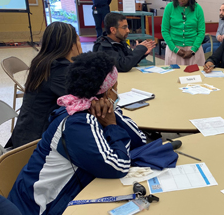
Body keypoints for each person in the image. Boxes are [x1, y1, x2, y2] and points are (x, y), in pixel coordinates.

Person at [8, 52, 147, 215]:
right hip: (38, 208)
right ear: (108, 91)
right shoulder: (77, 123)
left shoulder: (94, 110)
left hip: (65, 195)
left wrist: (112, 114)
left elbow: (140, 140)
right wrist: (112, 125)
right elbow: (118, 166)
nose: (117, 91)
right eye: (115, 87)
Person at [6, 22, 82, 149]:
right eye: (78, 40)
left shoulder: (43, 62)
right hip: (34, 145)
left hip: (24, 135)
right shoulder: (59, 70)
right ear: (71, 45)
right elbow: (85, 101)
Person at [161, 0, 206, 66]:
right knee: (174, 78)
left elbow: (201, 32)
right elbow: (165, 30)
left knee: (195, 77)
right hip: (174, 49)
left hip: (194, 50)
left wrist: (193, 50)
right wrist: (175, 49)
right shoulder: (169, 8)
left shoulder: (198, 9)